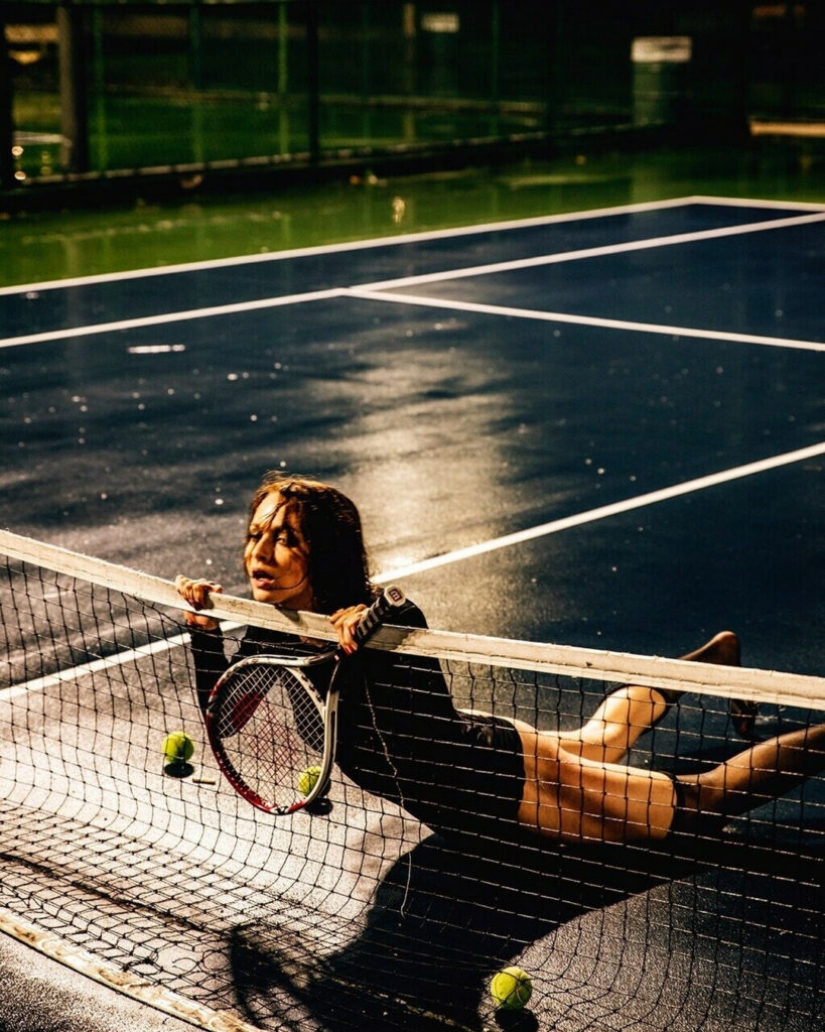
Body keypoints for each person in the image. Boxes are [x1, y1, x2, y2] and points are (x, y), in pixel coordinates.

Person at [176, 473, 825, 846]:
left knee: (698, 805)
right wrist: (205, 633)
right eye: (257, 534)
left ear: (325, 552)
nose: (262, 551)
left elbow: (408, 624)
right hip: (458, 789)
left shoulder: (380, 619)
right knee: (598, 739)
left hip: (494, 782)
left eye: (286, 538)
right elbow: (226, 720)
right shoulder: (274, 631)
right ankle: (714, 658)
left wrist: (371, 630)